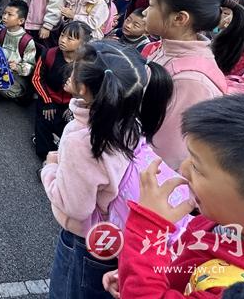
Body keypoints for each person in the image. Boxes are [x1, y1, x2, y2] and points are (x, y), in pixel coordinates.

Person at [113, 94, 244, 297]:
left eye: (197, 167)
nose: (182, 169)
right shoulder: (224, 220)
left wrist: (147, 227)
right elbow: (187, 258)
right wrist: (141, 269)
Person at [42, 41, 172, 299]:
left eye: (74, 69)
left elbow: (76, 208)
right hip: (119, 236)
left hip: (90, 241)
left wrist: (51, 169)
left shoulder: (82, 137)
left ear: (82, 88)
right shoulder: (128, 118)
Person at [143, 0, 244, 170]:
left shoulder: (191, 80)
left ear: (179, 18)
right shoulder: (164, 48)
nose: (144, 13)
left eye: (151, 5)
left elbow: (168, 153)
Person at [31, 21, 93, 161]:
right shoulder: (49, 54)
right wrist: (47, 102)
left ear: (83, 43)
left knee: (70, 128)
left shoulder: (88, 63)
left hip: (72, 103)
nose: (62, 40)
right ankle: (48, 159)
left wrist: (74, 107)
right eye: (62, 35)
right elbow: (37, 79)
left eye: (70, 38)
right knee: (44, 120)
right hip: (49, 98)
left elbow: (89, 91)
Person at [0, 0, 35, 100]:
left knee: (4, 89)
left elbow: (31, 66)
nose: (4, 17)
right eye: (4, 13)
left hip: (15, 76)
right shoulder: (0, 32)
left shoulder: (27, 40)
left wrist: (17, 67)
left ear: (21, 21)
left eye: (10, 15)